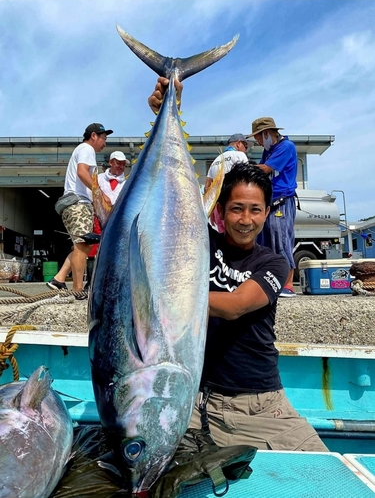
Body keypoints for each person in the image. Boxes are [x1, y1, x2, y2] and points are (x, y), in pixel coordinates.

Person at [148, 79, 328, 453]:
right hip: (194, 402)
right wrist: (163, 112)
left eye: (255, 210)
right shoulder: (200, 244)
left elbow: (233, 307)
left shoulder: (275, 263)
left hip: (261, 405)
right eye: (236, 208)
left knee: (327, 477)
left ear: (267, 212)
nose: (246, 219)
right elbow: (167, 208)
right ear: (219, 211)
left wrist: (160, 292)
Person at [46, 123, 113, 296]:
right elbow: (82, 172)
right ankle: (78, 289)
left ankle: (59, 279)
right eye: (104, 139)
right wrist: (99, 193)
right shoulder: (86, 149)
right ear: (94, 136)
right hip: (78, 203)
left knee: (80, 246)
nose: (105, 143)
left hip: (74, 204)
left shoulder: (82, 149)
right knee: (82, 245)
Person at [247, 117, 298, 298]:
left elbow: (266, 170)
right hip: (269, 201)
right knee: (264, 240)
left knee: (281, 239)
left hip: (282, 201)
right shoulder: (269, 151)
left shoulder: (286, 147)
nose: (258, 142)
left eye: (259, 138)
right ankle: (270, 281)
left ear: (266, 133)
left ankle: (288, 284)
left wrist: (245, 168)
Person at [85, 150, 130, 288]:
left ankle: (114, 281)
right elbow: (89, 194)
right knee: (94, 248)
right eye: (118, 163)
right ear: (111, 162)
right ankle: (91, 283)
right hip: (98, 218)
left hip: (118, 221)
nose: (120, 167)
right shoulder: (97, 179)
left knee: (117, 249)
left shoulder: (127, 183)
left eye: (123, 164)